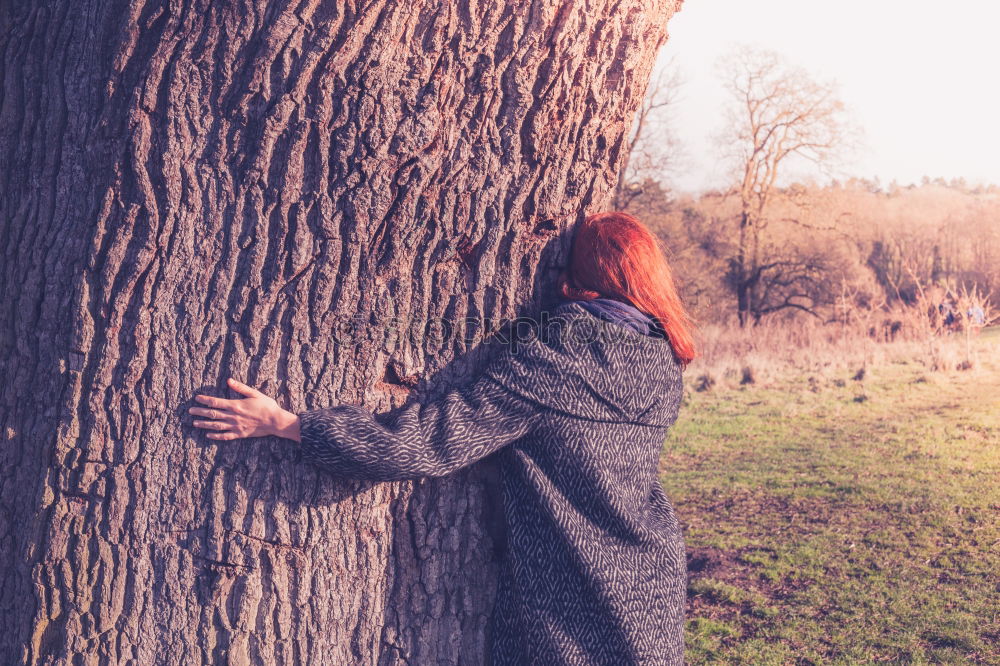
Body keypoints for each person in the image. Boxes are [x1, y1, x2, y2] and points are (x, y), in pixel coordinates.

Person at [189, 211, 696, 665]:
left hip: (575, 600)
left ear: (577, 276)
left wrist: (288, 424)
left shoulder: (559, 357)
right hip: (651, 583)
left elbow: (429, 442)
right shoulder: (663, 355)